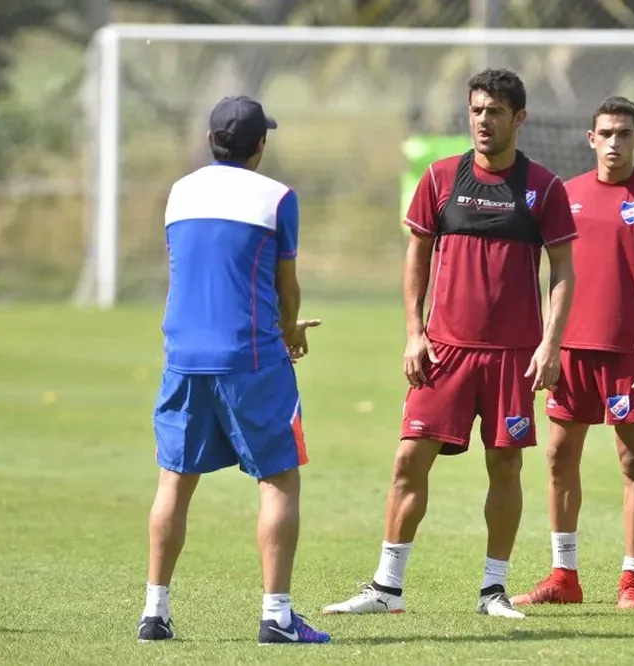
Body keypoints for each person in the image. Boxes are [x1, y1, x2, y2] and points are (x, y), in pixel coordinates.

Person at [321, 69, 577, 619]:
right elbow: (416, 257)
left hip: (512, 356)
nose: (484, 120)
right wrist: (414, 333)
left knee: (505, 467)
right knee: (408, 459)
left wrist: (551, 345)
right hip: (444, 352)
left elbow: (562, 271)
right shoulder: (439, 178)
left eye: (496, 112)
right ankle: (386, 588)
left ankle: (493, 591)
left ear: (519, 119)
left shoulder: (544, 187)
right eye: (477, 110)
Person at [136, 95, 330, 645]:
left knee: (174, 480)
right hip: (251, 358)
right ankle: (277, 617)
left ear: (210, 140)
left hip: (183, 357)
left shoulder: (179, 192)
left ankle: (155, 612)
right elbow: (286, 287)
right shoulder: (278, 198)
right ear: (260, 145)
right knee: (280, 477)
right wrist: (289, 331)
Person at [512, 96, 634, 610]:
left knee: (632, 462)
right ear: (591, 140)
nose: (614, 142)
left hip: (628, 357)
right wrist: (547, 343)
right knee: (558, 456)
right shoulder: (567, 195)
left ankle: (631, 581)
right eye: (605, 133)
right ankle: (563, 576)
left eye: (624, 134)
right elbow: (546, 273)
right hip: (570, 352)